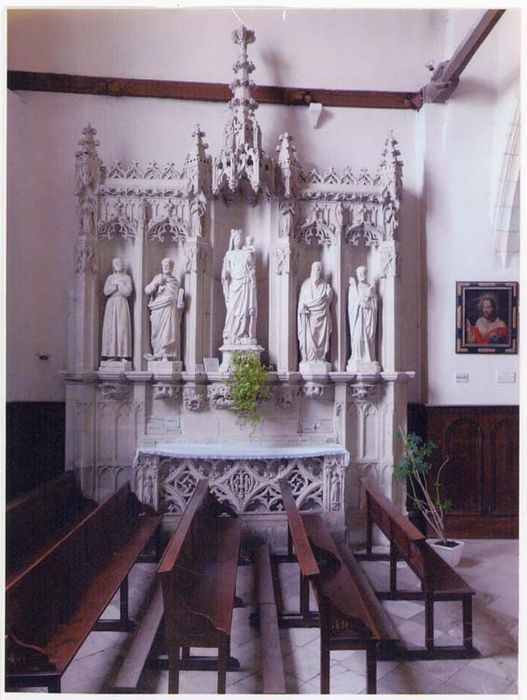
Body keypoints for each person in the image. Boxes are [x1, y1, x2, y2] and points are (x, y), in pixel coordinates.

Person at [221, 229, 257, 344]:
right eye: (236, 238)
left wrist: (251, 253)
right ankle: (231, 334)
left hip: (244, 284)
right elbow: (226, 269)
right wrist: (225, 274)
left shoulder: (245, 252)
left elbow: (251, 265)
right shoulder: (229, 254)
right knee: (231, 310)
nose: (238, 241)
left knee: (244, 311)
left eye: (240, 239)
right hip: (234, 285)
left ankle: (243, 333)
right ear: (233, 240)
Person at [144, 258, 185, 360]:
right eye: (165, 265)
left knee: (169, 331)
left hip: (170, 309)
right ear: (162, 266)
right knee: (156, 331)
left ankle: (167, 354)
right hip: (158, 309)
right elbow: (147, 291)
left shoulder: (175, 282)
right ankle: (158, 354)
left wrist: (181, 305)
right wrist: (156, 284)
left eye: (169, 265)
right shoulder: (158, 278)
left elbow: (177, 297)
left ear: (172, 267)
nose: (167, 267)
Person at [297, 261, 333, 364]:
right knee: (309, 339)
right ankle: (308, 358)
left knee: (321, 339)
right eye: (315, 269)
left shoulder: (325, 285)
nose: (316, 271)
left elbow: (328, 301)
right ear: (311, 270)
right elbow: (301, 302)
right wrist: (302, 308)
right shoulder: (305, 285)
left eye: (318, 269)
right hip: (309, 317)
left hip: (322, 317)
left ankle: (321, 358)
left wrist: (329, 294)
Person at [101, 257, 133, 360]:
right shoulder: (110, 278)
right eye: (116, 263)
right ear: (113, 265)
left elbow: (128, 292)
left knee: (122, 328)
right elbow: (106, 291)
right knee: (111, 329)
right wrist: (115, 287)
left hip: (122, 304)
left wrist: (119, 285)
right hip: (111, 304)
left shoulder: (127, 278)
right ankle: (112, 355)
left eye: (121, 262)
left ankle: (123, 354)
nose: (119, 264)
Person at [347, 266, 378, 371]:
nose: (362, 275)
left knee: (368, 339)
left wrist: (369, 302)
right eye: (360, 273)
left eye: (363, 273)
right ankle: (357, 356)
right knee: (357, 337)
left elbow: (374, 306)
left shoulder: (370, 288)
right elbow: (351, 306)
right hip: (357, 318)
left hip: (367, 318)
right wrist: (358, 302)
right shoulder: (354, 288)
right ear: (357, 274)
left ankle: (367, 358)